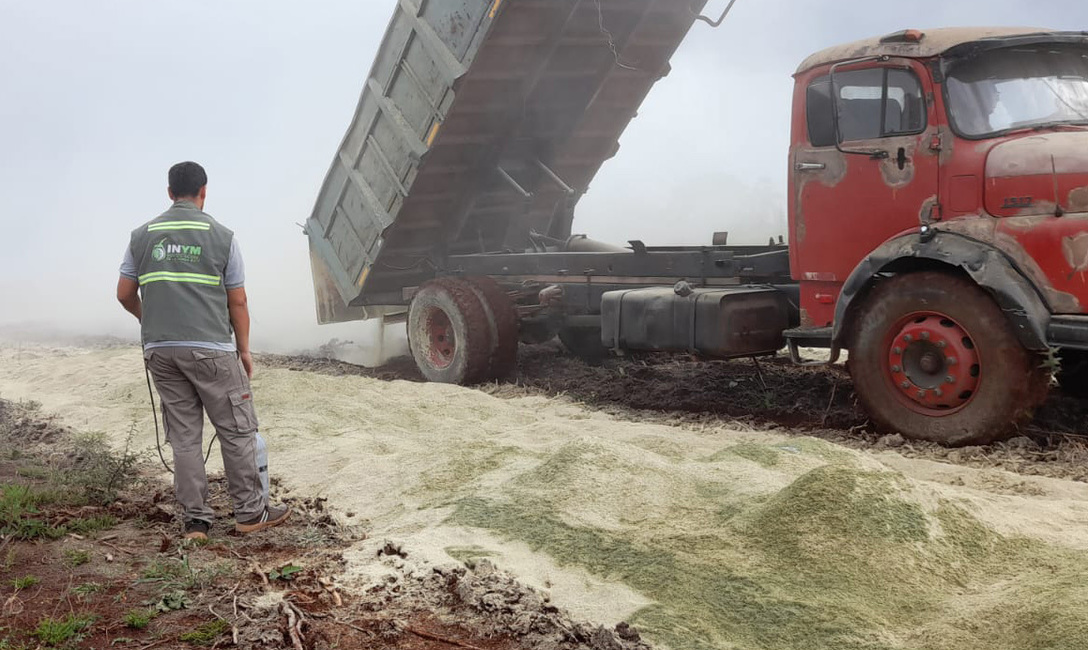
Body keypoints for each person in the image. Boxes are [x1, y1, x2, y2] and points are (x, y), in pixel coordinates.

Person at [116, 161, 289, 541]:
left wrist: (151, 322)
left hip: (161, 351)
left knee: (184, 438)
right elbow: (238, 302)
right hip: (212, 349)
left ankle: (196, 522)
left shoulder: (141, 235)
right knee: (237, 431)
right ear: (204, 192)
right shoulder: (222, 236)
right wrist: (243, 350)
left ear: (169, 192)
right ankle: (250, 513)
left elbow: (124, 294)